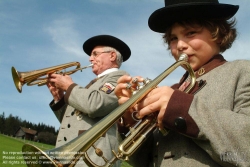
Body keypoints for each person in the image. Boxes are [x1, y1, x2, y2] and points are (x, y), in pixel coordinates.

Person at [115, 0, 250, 166]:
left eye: (191, 33)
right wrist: (130, 121)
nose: (180, 45)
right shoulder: (174, 90)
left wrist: (180, 107)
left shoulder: (243, 71)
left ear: (219, 33)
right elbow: (144, 160)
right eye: (173, 38)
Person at [47, 35, 131, 167]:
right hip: (71, 157)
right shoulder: (93, 84)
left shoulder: (118, 78)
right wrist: (59, 98)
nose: (90, 58)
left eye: (95, 54)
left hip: (93, 158)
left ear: (112, 56)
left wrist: (69, 86)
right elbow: (74, 121)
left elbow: (95, 105)